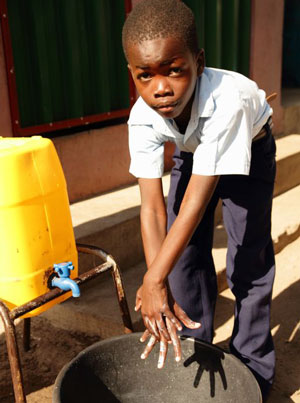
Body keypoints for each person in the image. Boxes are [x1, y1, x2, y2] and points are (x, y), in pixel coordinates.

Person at [122, 0, 276, 399]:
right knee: (182, 260)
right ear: (133, 75)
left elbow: (199, 194)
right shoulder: (142, 117)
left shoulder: (228, 101)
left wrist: (153, 278)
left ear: (199, 61)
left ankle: (253, 366)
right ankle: (196, 352)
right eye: (145, 76)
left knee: (248, 258)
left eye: (175, 70)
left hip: (251, 150)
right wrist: (158, 276)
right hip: (193, 153)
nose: (161, 88)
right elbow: (153, 207)